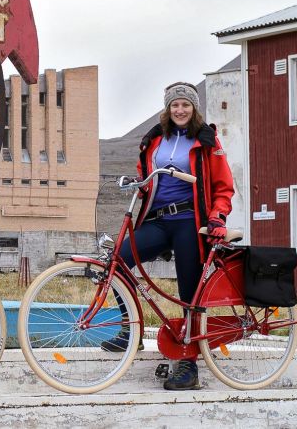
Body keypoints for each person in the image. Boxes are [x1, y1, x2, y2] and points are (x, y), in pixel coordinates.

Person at [103, 81, 234, 391]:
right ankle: (128, 331)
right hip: (159, 219)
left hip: (191, 220)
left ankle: (189, 363)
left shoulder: (206, 140)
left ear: (194, 108)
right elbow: (147, 173)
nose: (180, 109)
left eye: (185, 105)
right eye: (175, 105)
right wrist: (139, 183)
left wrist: (218, 216)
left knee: (190, 290)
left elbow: (223, 186)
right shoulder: (155, 140)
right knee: (119, 260)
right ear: (168, 108)